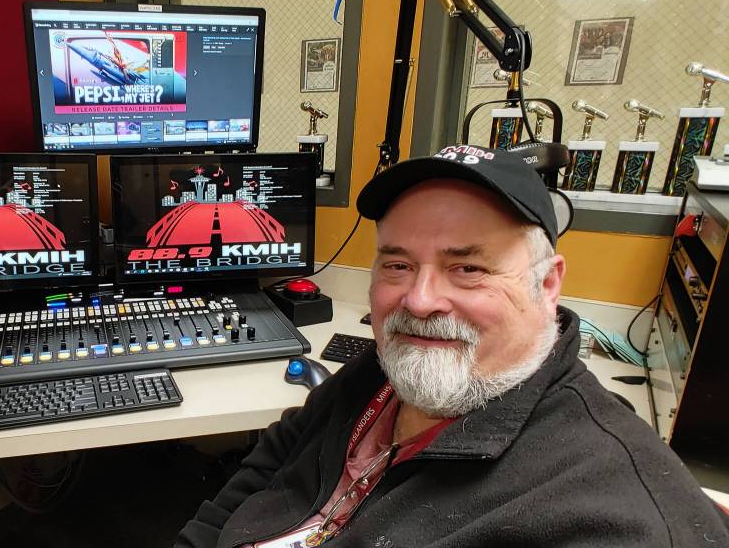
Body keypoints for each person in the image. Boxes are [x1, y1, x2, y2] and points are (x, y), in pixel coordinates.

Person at [174, 144, 729, 547]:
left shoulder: (610, 515)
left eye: (467, 267)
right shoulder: (385, 372)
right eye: (397, 264)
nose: (418, 300)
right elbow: (266, 468)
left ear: (548, 283)